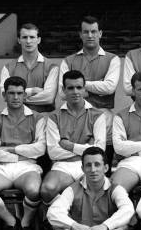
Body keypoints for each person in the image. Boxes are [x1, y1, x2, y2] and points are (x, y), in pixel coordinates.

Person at [47, 147, 134, 230]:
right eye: (88, 165)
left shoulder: (116, 188)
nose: (93, 170)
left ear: (105, 168)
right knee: (58, 225)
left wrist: (104, 226)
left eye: (97, 164)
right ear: (82, 169)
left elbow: (128, 209)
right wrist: (75, 226)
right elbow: (53, 212)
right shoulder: (72, 189)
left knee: (124, 225)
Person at [0, 76, 46, 230]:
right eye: (11, 93)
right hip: (2, 168)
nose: (15, 97)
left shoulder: (37, 118)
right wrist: (25, 152)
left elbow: (40, 150)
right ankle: (11, 222)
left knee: (34, 190)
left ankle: (25, 223)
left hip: (28, 167)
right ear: (4, 95)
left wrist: (11, 149)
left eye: (19, 93)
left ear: (25, 96)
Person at [59, 16, 120, 168]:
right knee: (74, 163)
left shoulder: (113, 59)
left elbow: (109, 87)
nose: (90, 35)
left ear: (100, 33)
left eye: (94, 31)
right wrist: (95, 88)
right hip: (74, 116)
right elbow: (62, 93)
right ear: (80, 34)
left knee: (102, 166)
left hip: (103, 115)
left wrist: (80, 84)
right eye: (86, 32)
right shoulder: (68, 61)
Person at [40, 70, 106, 205]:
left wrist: (69, 145)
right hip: (62, 166)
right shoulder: (54, 116)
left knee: (93, 189)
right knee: (47, 189)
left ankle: (76, 218)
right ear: (63, 90)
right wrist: (87, 147)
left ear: (84, 89)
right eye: (70, 88)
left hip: (89, 165)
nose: (75, 91)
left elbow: (99, 150)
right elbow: (53, 152)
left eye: (79, 87)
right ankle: (63, 214)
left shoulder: (97, 114)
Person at [0, 23, 59, 113]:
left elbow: (49, 98)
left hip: (44, 120)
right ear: (19, 40)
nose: (28, 41)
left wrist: (16, 97)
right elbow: (5, 95)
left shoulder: (52, 67)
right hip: (17, 120)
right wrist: (32, 91)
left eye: (32, 37)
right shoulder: (8, 68)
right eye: (24, 37)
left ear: (38, 40)